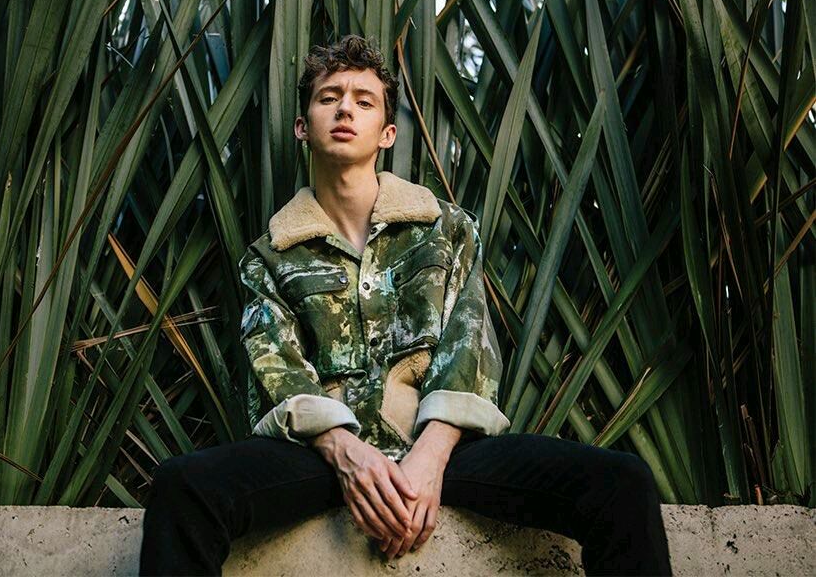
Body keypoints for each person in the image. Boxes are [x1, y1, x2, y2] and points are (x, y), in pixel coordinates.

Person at [139, 34, 673, 576]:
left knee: (622, 482)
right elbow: (276, 371)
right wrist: (347, 455)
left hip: (440, 450)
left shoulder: (446, 229)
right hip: (325, 456)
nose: (345, 109)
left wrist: (428, 460)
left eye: (364, 101)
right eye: (328, 98)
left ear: (386, 134)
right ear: (302, 126)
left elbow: (468, 345)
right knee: (184, 486)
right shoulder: (270, 256)